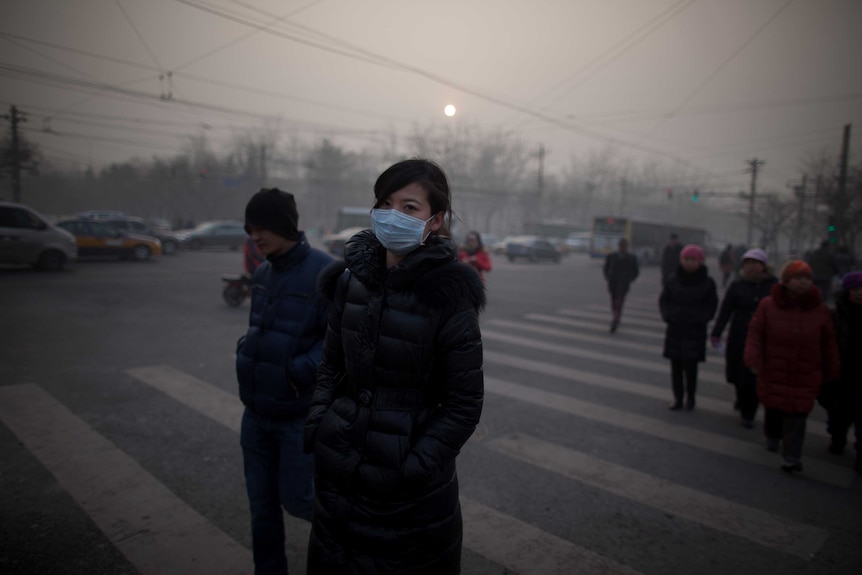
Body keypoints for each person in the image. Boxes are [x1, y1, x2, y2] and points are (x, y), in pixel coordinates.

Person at [304, 159, 485, 574]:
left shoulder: (449, 295)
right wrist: (320, 424)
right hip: (338, 479)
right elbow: (330, 366)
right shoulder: (350, 281)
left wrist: (412, 469)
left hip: (410, 501)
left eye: (409, 208)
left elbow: (463, 405)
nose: (392, 216)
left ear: (434, 221)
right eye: (385, 204)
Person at [235, 188, 334, 575]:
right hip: (255, 414)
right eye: (250, 229)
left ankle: (353, 552)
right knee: (261, 509)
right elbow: (259, 328)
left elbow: (338, 340)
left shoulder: (325, 270)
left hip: (296, 417)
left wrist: (297, 372)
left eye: (262, 228)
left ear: (284, 226)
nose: (255, 237)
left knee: (300, 500)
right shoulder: (262, 272)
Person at [744, 260, 840, 473]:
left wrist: (832, 368)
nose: (803, 283)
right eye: (798, 278)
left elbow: (829, 341)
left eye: (807, 279)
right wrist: (753, 357)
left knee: (798, 414)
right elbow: (755, 332)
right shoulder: (768, 304)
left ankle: (792, 456)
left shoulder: (820, 309)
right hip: (774, 367)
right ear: (786, 281)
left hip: (806, 371)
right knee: (774, 406)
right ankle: (772, 434)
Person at [710, 249, 777, 427]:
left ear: (763, 266)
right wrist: (716, 332)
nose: (750, 267)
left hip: (762, 338)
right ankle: (741, 397)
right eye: (747, 264)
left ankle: (749, 413)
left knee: (752, 375)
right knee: (736, 372)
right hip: (739, 334)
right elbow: (726, 310)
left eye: (755, 264)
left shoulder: (773, 287)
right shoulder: (737, 285)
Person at [659, 244, 718, 410]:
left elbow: (711, 305)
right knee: (675, 366)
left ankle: (690, 397)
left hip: (695, 330)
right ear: (681, 260)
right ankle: (678, 398)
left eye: (693, 260)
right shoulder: (673, 279)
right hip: (675, 329)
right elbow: (664, 300)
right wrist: (667, 316)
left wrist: (702, 318)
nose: (690, 263)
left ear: (700, 261)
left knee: (691, 367)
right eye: (687, 259)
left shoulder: (707, 282)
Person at [825, 271, 862, 472]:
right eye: (855, 290)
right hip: (841, 373)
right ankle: (837, 438)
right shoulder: (836, 315)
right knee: (839, 413)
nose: (859, 294)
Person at [603, 237, 639, 333]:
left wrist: (630, 279)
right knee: (614, 301)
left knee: (619, 302)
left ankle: (615, 320)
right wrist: (608, 277)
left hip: (623, 283)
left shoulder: (631, 258)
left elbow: (636, 271)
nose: (622, 247)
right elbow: (606, 268)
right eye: (621, 246)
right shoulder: (612, 256)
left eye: (624, 246)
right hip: (613, 282)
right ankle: (616, 316)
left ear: (626, 247)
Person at [807, 240, 838, 304]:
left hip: (815, 274)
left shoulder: (814, 253)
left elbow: (810, 263)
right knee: (825, 290)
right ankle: (823, 303)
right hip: (826, 275)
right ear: (828, 246)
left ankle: (813, 301)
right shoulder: (830, 254)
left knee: (814, 288)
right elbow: (834, 264)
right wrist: (835, 272)